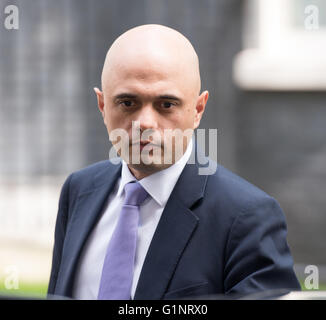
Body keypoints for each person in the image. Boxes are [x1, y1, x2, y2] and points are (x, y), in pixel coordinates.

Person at [47, 24, 301, 300]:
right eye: (127, 102)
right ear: (102, 106)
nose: (145, 123)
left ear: (197, 110)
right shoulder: (79, 190)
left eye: (166, 104)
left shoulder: (246, 216)